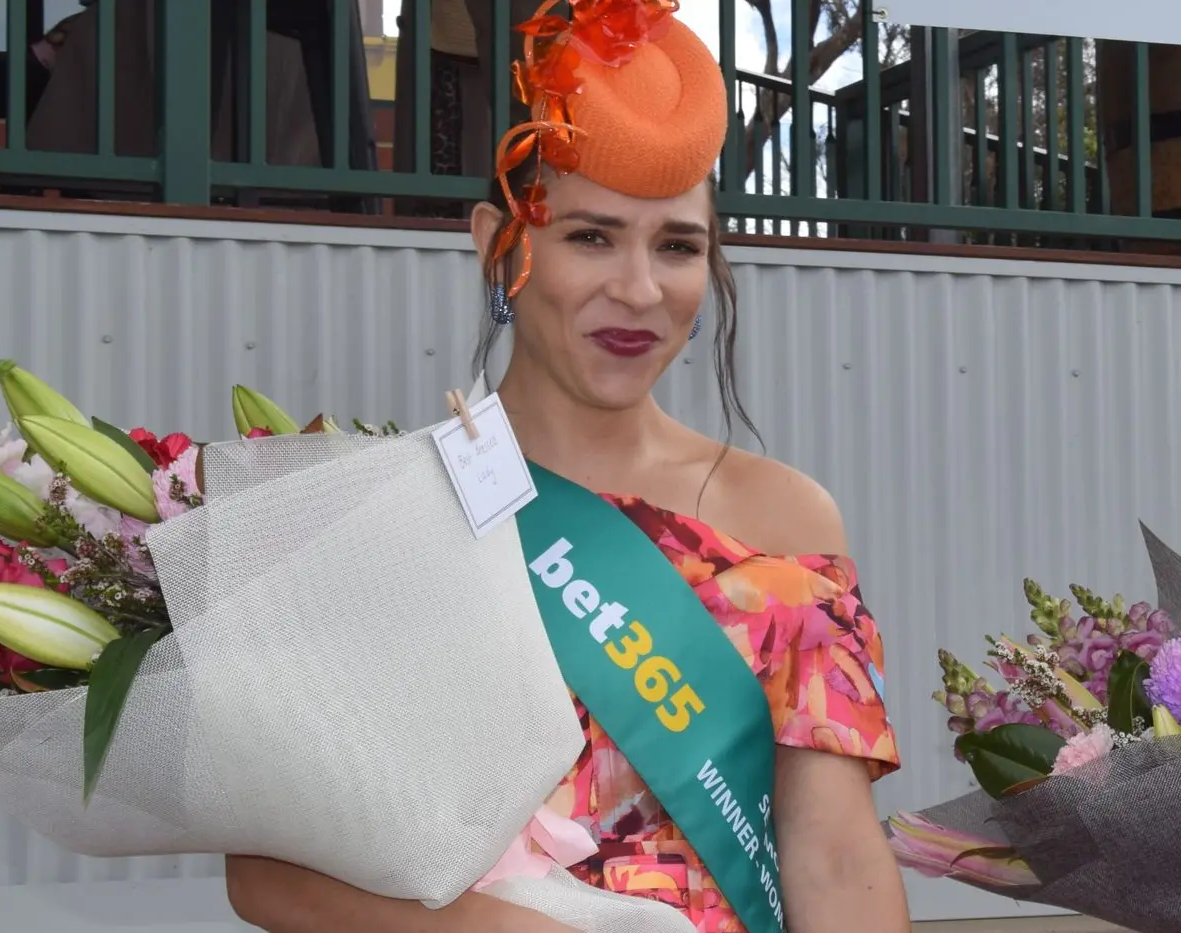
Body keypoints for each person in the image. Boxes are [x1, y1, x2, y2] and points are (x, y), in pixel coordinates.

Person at [225, 2, 912, 931]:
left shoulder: (786, 524)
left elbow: (832, 854)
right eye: (590, 236)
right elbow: (268, 873)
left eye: (677, 246)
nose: (638, 289)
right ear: (498, 244)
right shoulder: (392, 511)